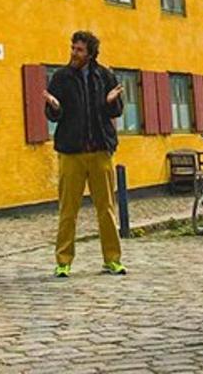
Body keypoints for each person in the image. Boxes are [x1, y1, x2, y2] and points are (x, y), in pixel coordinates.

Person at [42, 30, 126, 277]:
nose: (74, 53)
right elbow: (53, 114)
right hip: (71, 153)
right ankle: (63, 261)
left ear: (90, 53)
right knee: (68, 210)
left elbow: (116, 112)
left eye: (79, 50)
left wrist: (111, 101)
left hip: (100, 151)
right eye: (73, 48)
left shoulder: (105, 76)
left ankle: (112, 259)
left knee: (106, 209)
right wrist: (54, 107)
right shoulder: (61, 77)